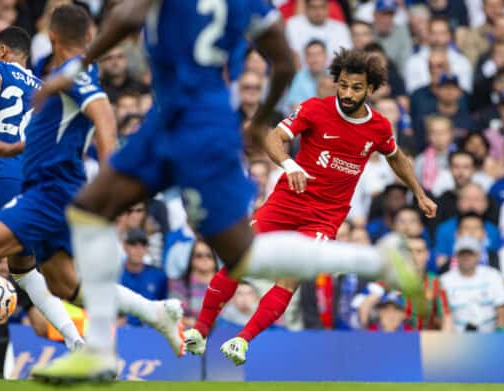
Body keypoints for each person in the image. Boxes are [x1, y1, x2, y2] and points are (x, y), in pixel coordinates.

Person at [29, 2, 432, 383]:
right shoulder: (254, 11)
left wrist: (75, 65)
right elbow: (286, 61)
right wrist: (263, 125)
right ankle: (106, 346)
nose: (346, 93)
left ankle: (371, 261)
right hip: (177, 120)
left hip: (198, 123)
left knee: (240, 256)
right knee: (90, 209)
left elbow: (129, 13)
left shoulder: (377, 126)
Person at [0, 5, 185, 383]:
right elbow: (45, 134)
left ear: (51, 38)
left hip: (47, 190)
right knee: (60, 282)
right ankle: (148, 315)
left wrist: (113, 182)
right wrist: (9, 149)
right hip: (40, 182)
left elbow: (102, 115)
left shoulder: (66, 72)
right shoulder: (45, 80)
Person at [185, 49, 435, 366]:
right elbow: (275, 137)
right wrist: (290, 165)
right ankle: (200, 330)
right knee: (239, 259)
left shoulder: (379, 128)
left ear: (370, 90)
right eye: (342, 85)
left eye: (356, 87)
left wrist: (419, 192)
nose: (346, 93)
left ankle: (242, 341)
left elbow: (396, 156)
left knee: (290, 277)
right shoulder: (315, 109)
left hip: (324, 217)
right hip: (286, 201)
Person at [440, 236, 504, 332]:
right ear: (456, 256)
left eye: (470, 253)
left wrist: (502, 332)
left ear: (478, 255)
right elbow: (443, 315)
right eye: (462, 253)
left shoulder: (493, 275)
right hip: (457, 338)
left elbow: (501, 308)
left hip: (490, 336)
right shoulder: (444, 281)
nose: (466, 257)